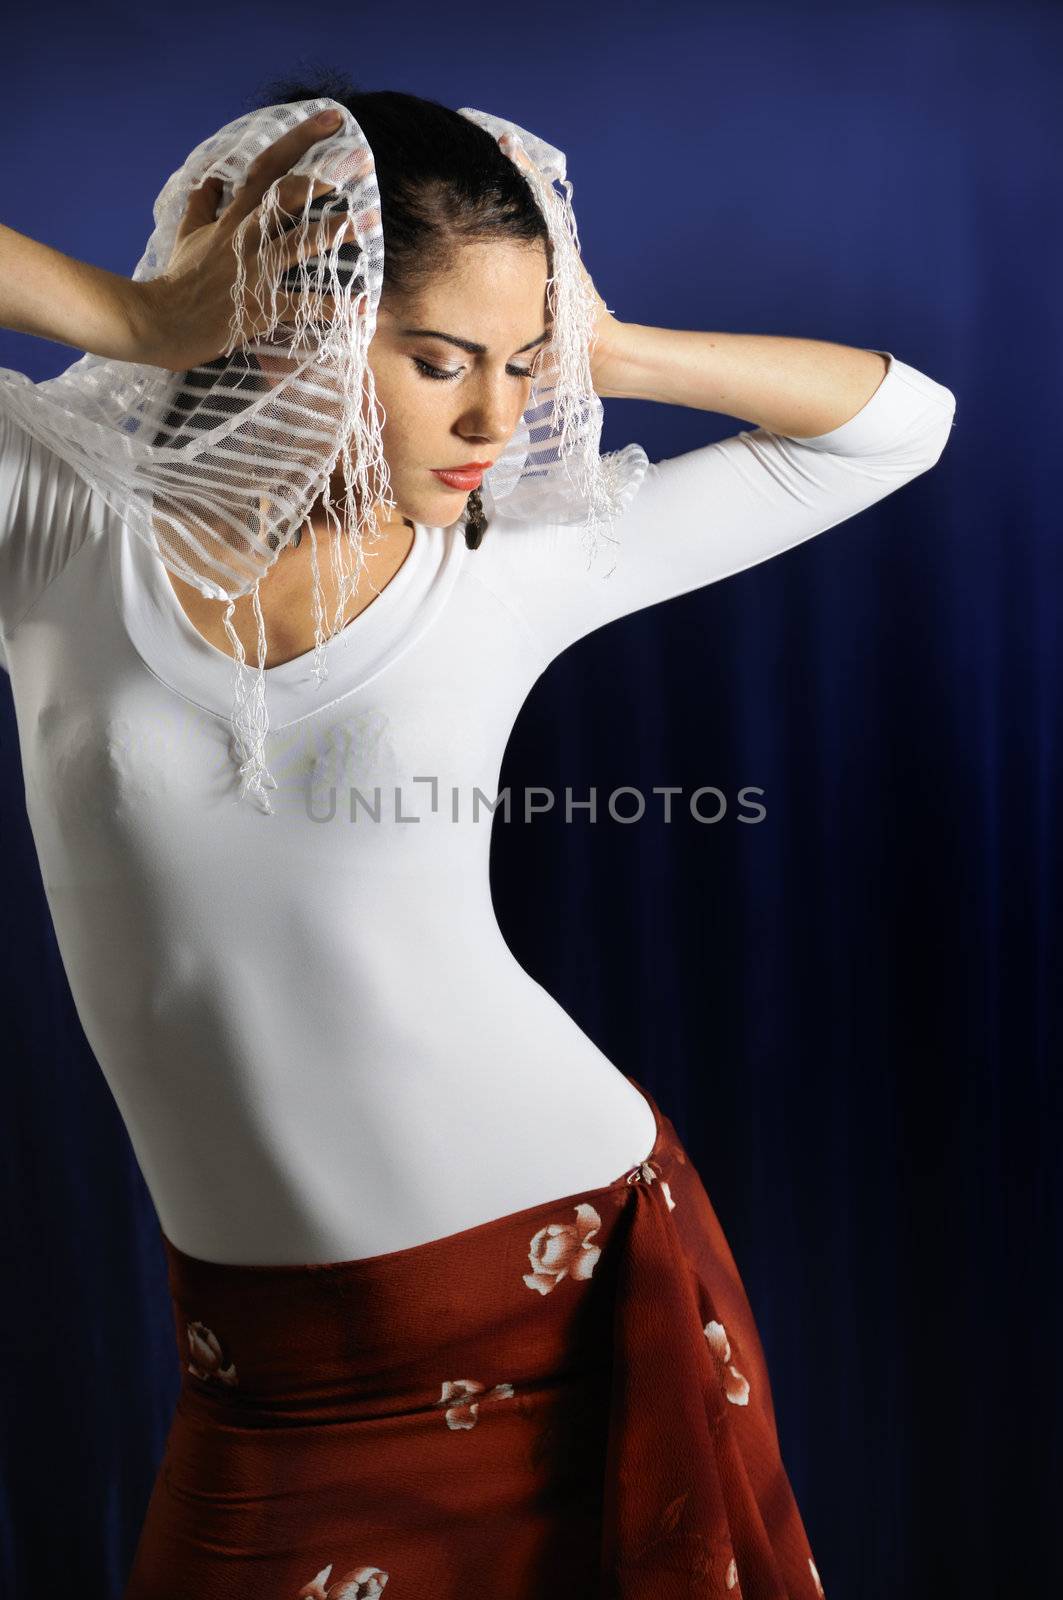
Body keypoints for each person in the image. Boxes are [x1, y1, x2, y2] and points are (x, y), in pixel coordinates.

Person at [0, 74, 956, 1599]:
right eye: (439, 359)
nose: (496, 418)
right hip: (272, 1369)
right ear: (295, 330)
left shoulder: (518, 554)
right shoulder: (55, 523)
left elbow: (901, 428)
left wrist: (619, 350)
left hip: (568, 1285)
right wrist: (137, 318)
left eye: (525, 364)